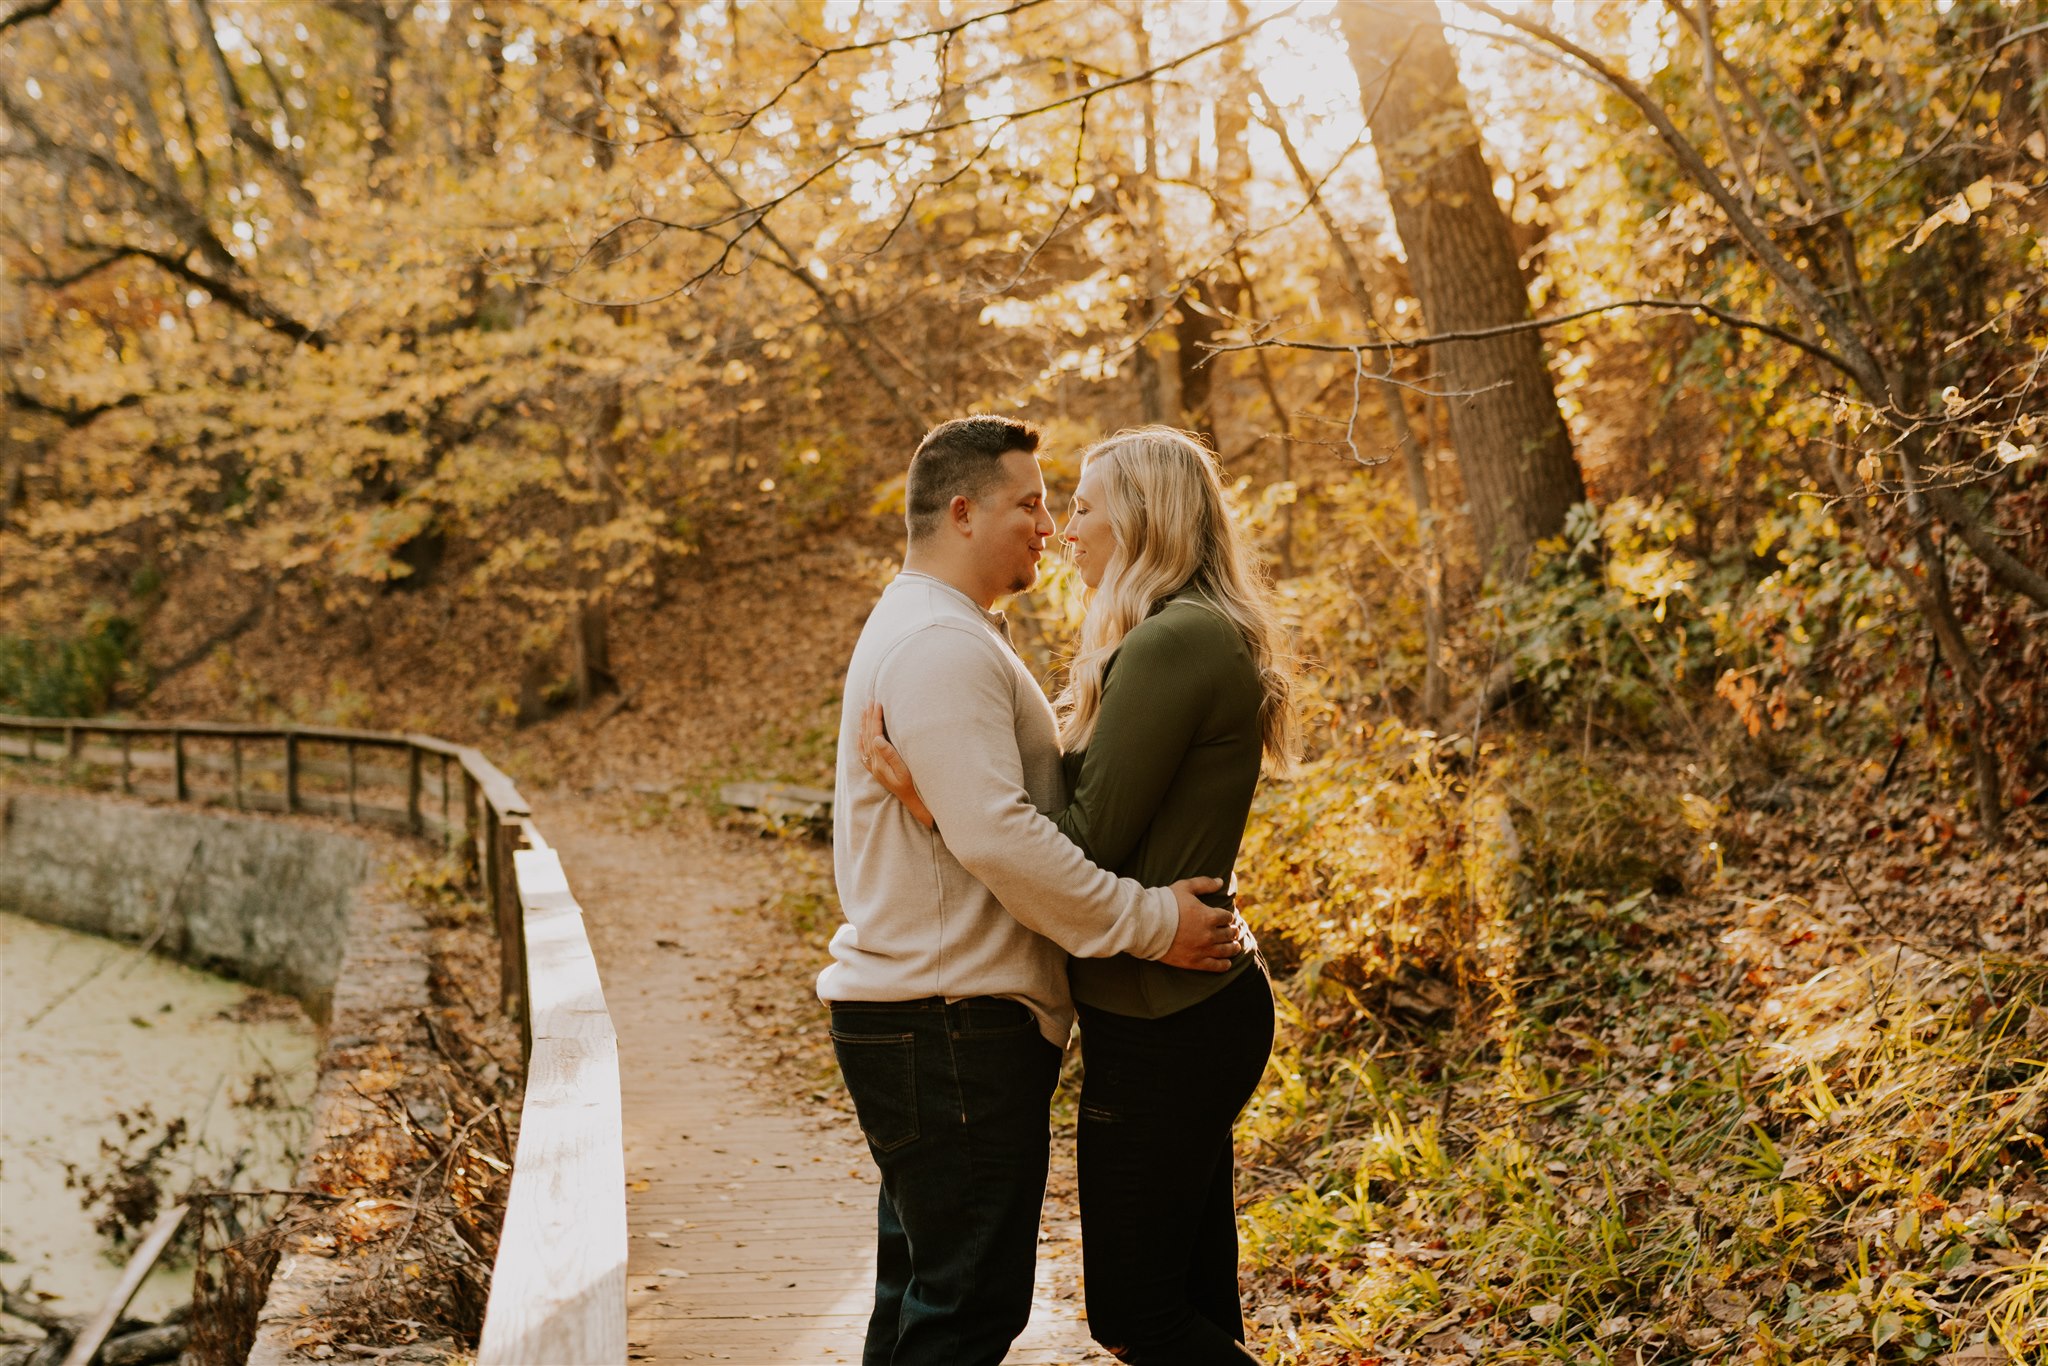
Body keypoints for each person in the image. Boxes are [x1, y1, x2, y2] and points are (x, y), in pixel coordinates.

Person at [818, 414, 1247, 1366]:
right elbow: (1004, 836)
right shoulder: (941, 644)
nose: (1049, 526)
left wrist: (946, 809)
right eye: (1033, 503)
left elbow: (1002, 821)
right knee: (965, 1306)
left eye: (1063, 505)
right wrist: (1147, 921)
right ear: (963, 512)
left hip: (944, 1013)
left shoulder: (947, 632)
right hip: (949, 1021)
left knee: (934, 1297)